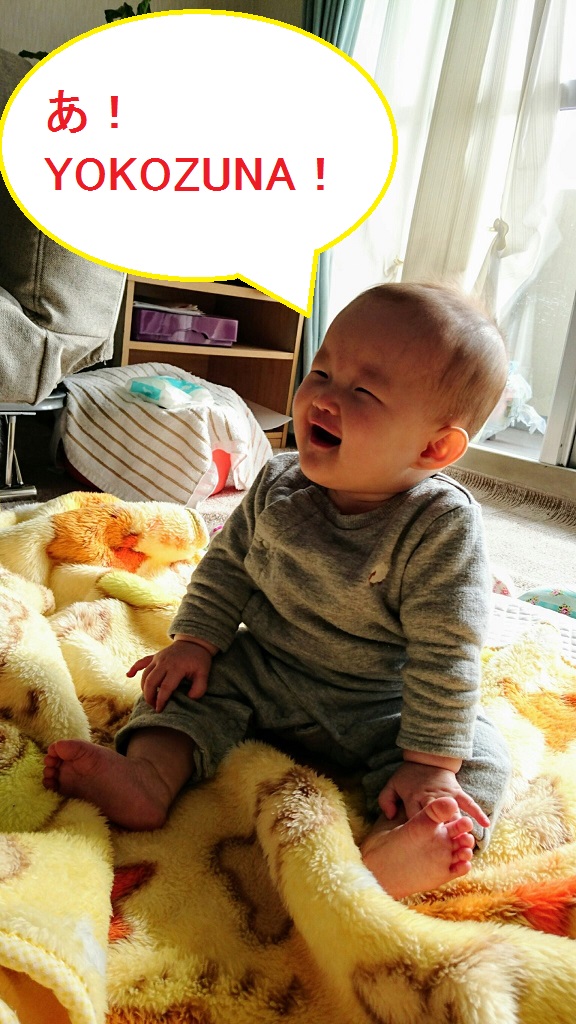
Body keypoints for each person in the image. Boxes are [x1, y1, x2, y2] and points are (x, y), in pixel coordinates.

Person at [43, 282, 512, 900]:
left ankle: (401, 844)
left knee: (478, 757)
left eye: (363, 391)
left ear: (434, 447)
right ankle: (149, 777)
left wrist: (429, 765)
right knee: (178, 684)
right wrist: (195, 642)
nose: (324, 397)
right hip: (266, 670)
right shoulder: (278, 482)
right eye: (322, 371)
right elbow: (227, 566)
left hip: (383, 704)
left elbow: (447, 652)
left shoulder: (441, 525)